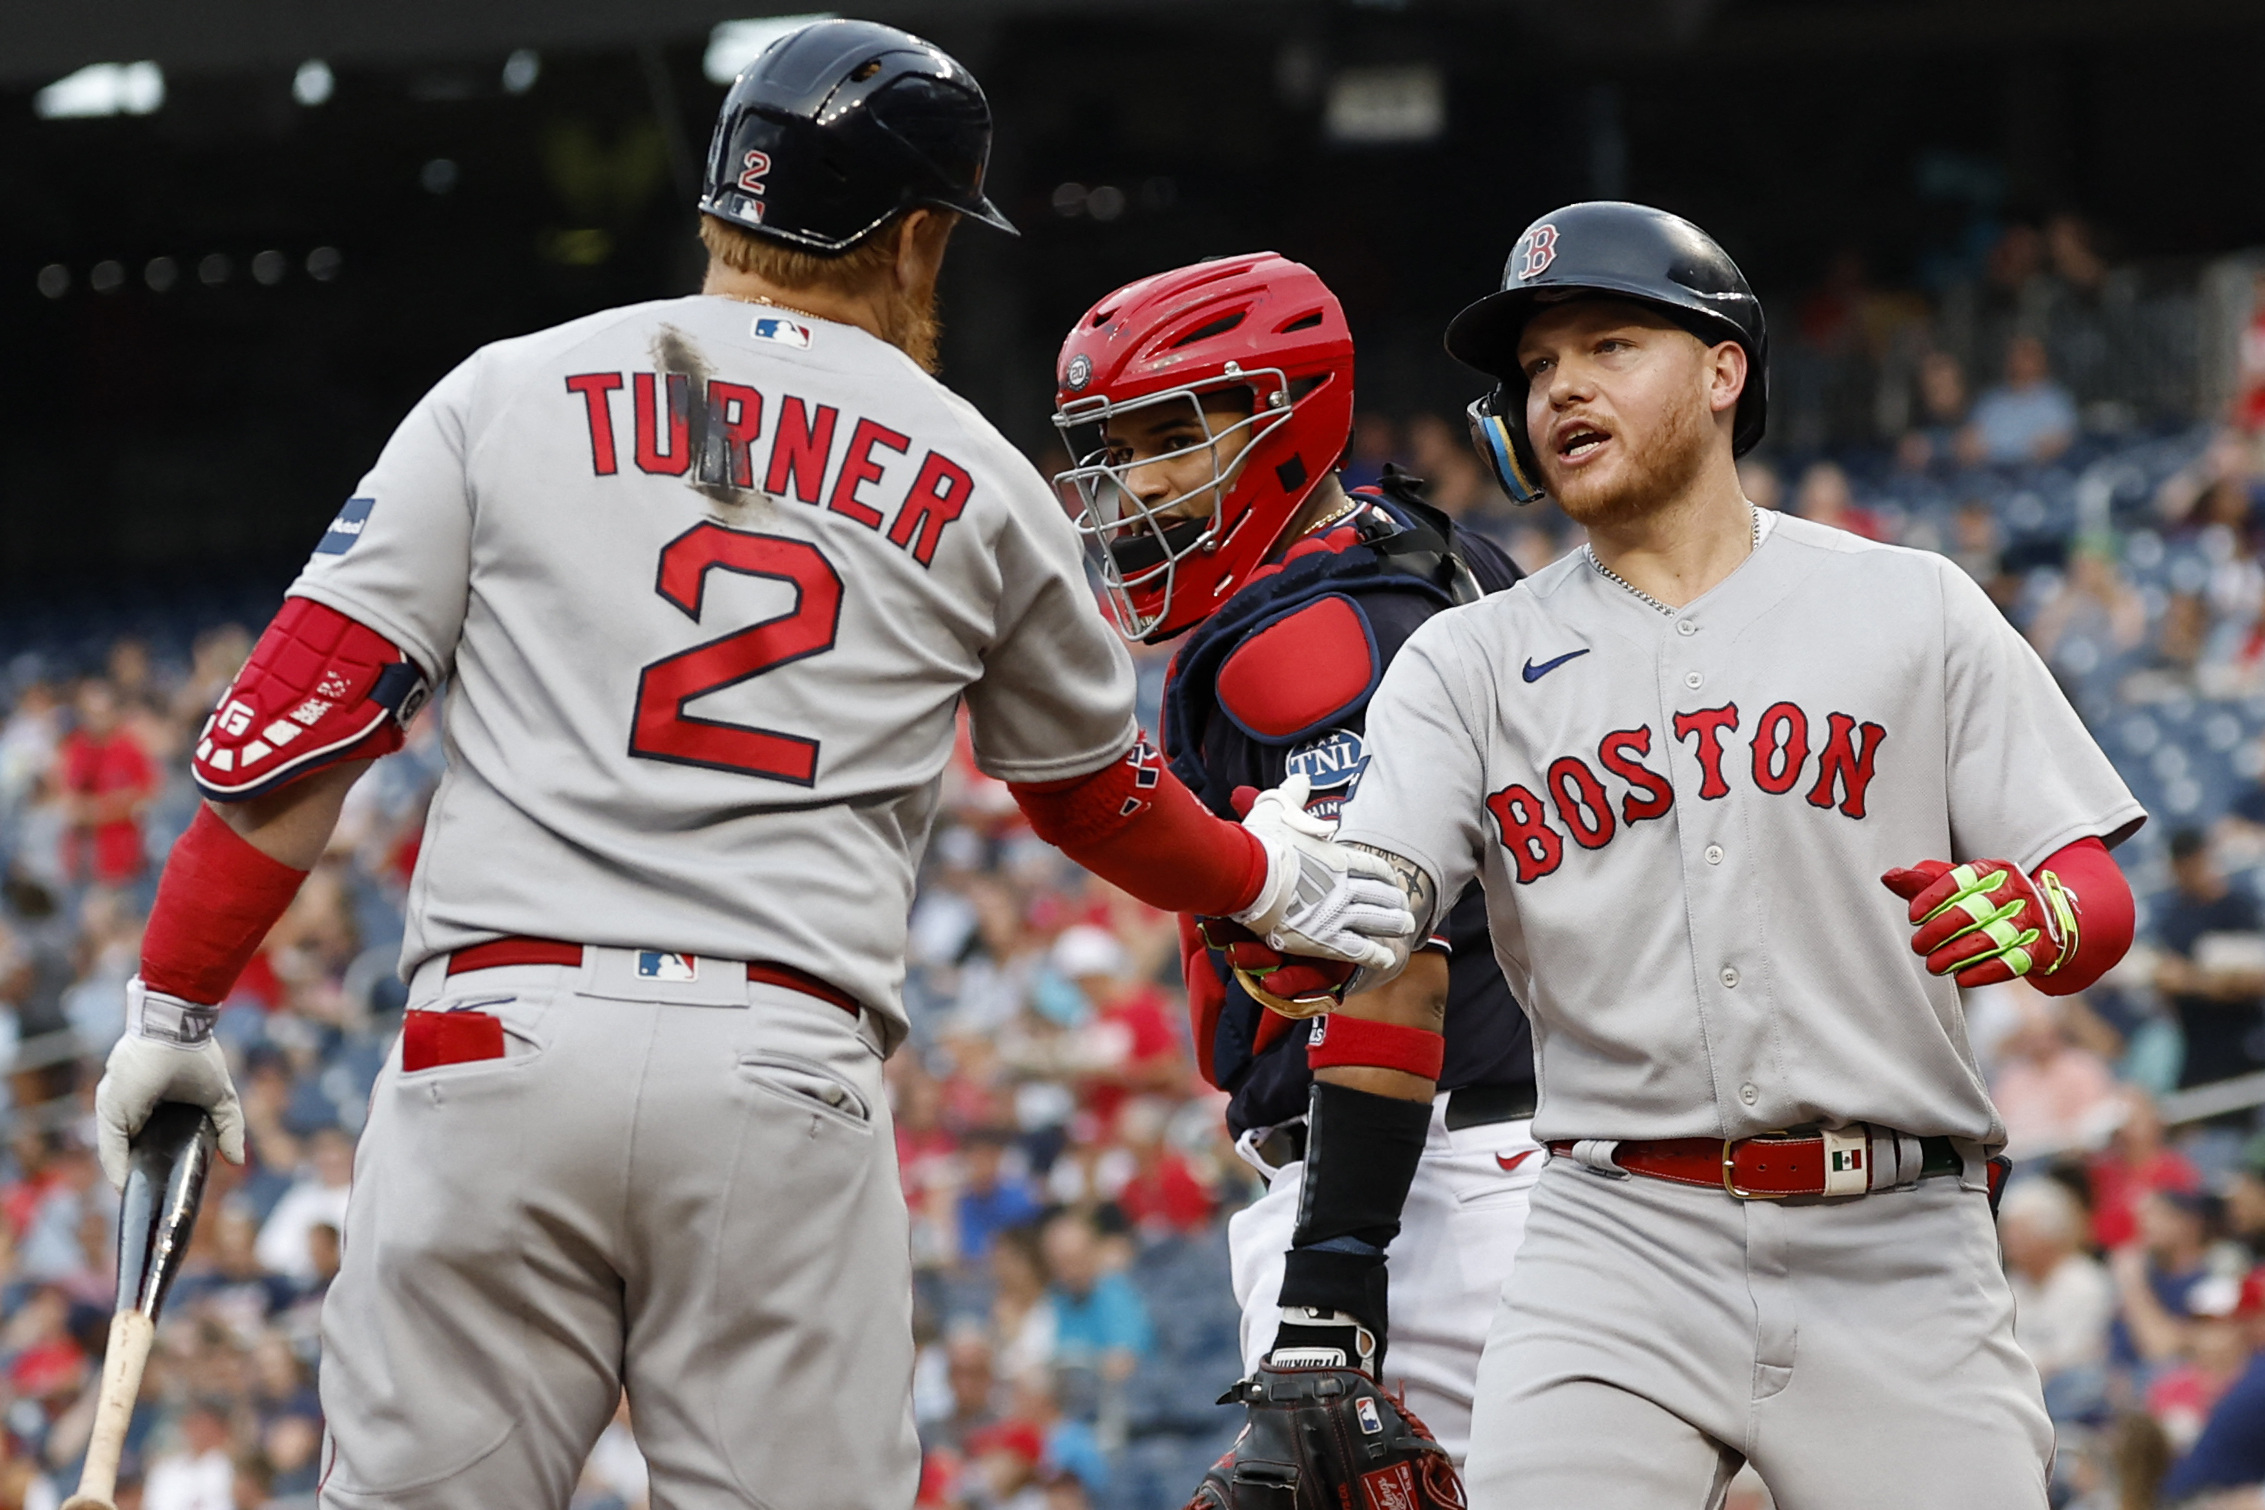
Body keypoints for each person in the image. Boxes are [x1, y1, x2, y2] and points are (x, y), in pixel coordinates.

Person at [85, 22, 1405, 1510]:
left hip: (490, 1045)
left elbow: (298, 728)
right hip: (779, 1070)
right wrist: (1266, 872)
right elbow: (1090, 796)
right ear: (916, 236)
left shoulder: (505, 390)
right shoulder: (972, 468)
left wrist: (174, 1004)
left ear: (728, 203)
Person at [1290, 201, 2146, 1507]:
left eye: (1608, 344)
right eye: (1534, 370)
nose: (1561, 385)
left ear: (1722, 368)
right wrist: (1281, 913)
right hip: (1609, 1235)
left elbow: (2091, 886)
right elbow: (1379, 903)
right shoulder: (1466, 662)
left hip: (1897, 1236)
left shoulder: (1906, 602)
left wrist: (2039, 915)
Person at [1051, 252, 1539, 1461]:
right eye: (1115, 451)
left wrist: (1328, 1294)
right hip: (1489, 1156)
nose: (1135, 488)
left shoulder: (1310, 640)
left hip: (1413, 1192)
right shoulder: (1433, 551)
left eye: (1171, 436)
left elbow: (1381, 947)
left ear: (1282, 422)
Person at [2153, 828, 2265, 1089]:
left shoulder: (2239, 909)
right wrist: (2213, 982)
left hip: (2250, 1032)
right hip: (2202, 1045)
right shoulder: (2173, 923)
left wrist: (2194, 980)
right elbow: (2166, 982)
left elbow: (2255, 981)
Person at [1966, 332, 2078, 465]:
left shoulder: (2056, 401)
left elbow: (2054, 446)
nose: (2021, 361)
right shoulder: (1990, 400)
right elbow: (1969, 442)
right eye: (2016, 355)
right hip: (1989, 474)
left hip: (2038, 475)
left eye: (2028, 355)